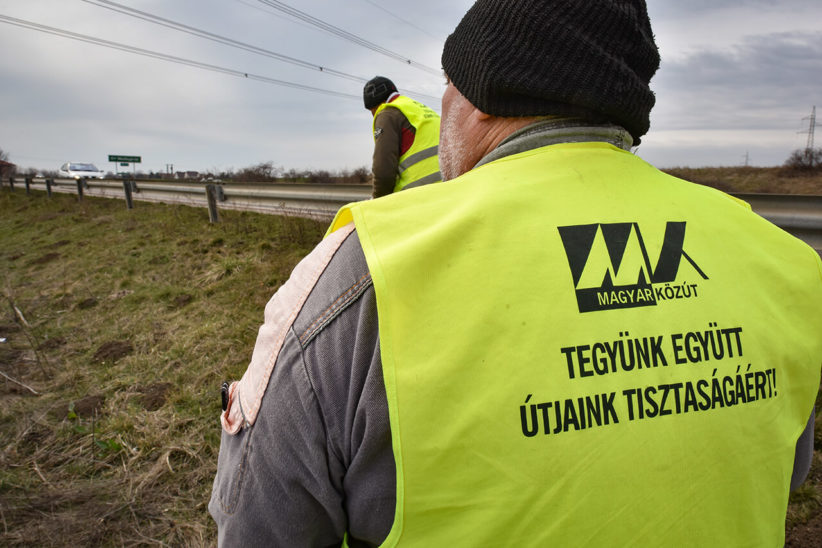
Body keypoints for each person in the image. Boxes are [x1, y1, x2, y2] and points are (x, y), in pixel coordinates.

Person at [210, 0, 822, 545]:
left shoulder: (361, 274)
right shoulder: (786, 261)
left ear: (476, 95)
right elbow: (781, 470)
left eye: (447, 85)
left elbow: (259, 525)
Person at [362, 76, 442, 198]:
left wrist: (378, 200)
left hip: (420, 195)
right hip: (448, 187)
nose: (373, 116)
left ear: (374, 107)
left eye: (372, 112)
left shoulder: (387, 113)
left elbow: (384, 169)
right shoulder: (417, 108)